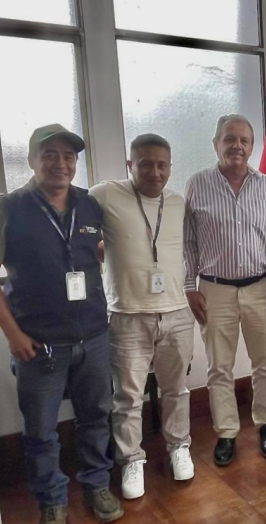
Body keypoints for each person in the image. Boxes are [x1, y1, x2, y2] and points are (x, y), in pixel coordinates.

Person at [0, 124, 123, 524]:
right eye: (50, 155)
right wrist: (12, 334)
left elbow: (96, 256)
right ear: (32, 159)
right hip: (38, 344)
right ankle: (52, 502)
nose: (61, 164)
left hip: (93, 336)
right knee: (40, 431)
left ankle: (96, 486)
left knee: (96, 418)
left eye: (69, 157)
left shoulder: (89, 205)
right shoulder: (7, 208)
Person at [90, 134, 195, 500]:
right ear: (130, 165)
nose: (155, 171)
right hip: (127, 316)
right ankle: (132, 460)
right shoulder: (105, 194)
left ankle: (178, 446)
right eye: (146, 164)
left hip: (176, 312)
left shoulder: (179, 201)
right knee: (128, 397)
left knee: (176, 390)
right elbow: (65, 209)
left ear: (170, 167)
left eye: (162, 165)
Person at [183, 114, 266, 467]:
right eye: (229, 139)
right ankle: (226, 432)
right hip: (214, 290)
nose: (237, 146)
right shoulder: (196, 184)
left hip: (261, 286)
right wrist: (188, 286)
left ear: (252, 146)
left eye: (244, 140)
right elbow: (188, 242)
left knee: (265, 363)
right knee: (219, 367)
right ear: (216, 144)